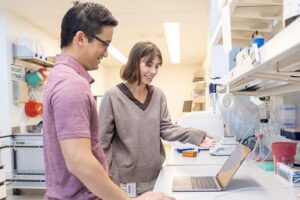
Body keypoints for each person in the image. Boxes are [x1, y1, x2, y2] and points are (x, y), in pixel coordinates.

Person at [43, 2, 175, 200]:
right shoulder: (72, 84)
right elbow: (79, 161)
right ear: (80, 38)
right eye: (104, 43)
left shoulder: (58, 76)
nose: (105, 52)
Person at [99, 41, 216, 196]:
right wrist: (108, 180)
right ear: (135, 62)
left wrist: (195, 135)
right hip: (124, 184)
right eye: (148, 65)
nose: (153, 71)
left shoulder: (158, 95)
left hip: (156, 178)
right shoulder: (113, 96)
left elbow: (166, 128)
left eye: (157, 66)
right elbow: (102, 142)